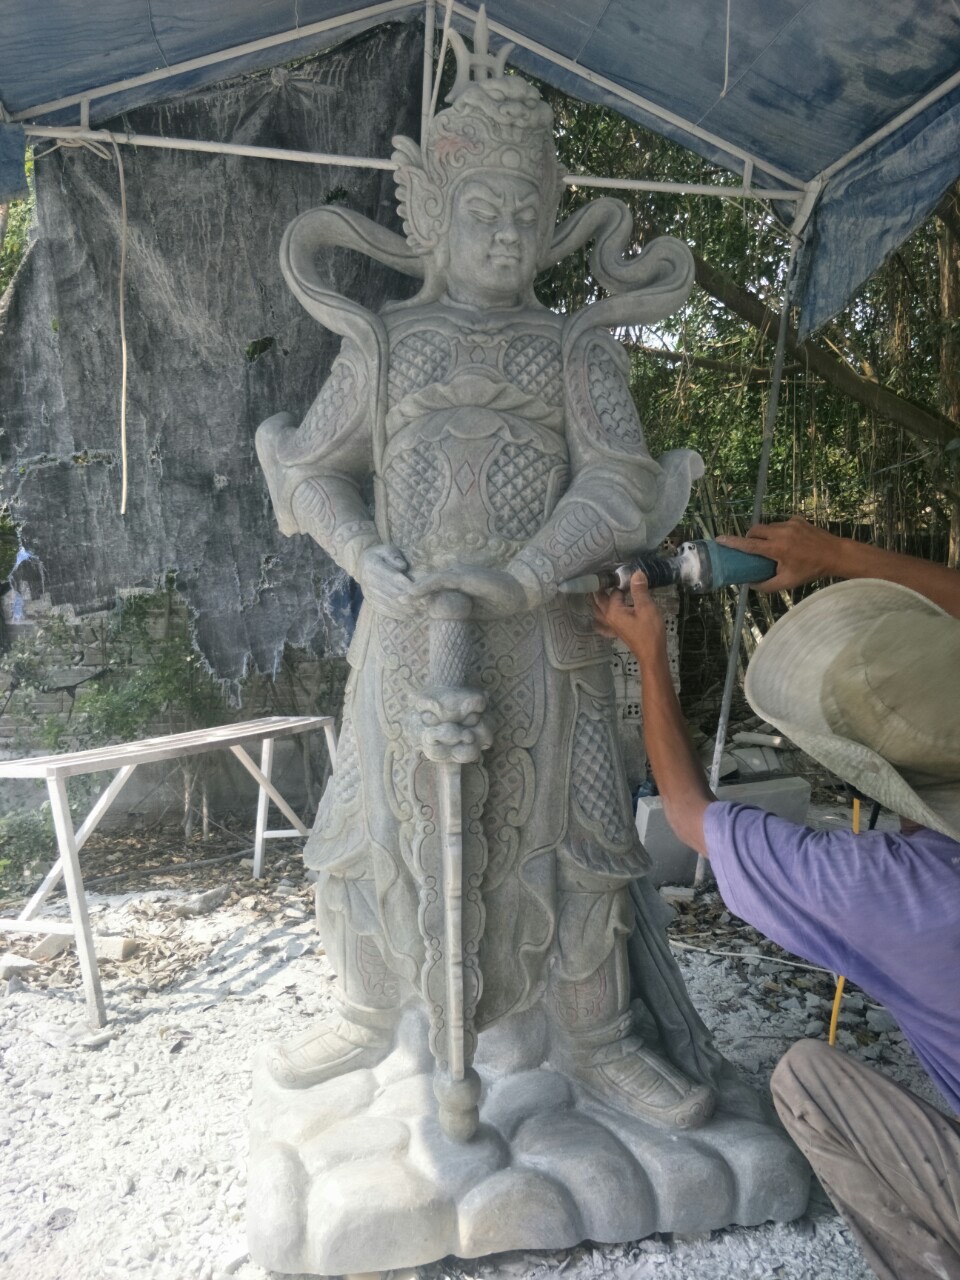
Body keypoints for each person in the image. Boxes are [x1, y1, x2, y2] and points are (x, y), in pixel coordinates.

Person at [256, 33, 717, 1130]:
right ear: (434, 215)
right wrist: (364, 555)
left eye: (525, 213)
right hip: (409, 634)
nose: (506, 235)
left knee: (586, 842)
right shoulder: (384, 343)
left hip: (545, 637)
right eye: (482, 212)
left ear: (552, 220)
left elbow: (620, 483)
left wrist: (529, 569)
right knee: (368, 828)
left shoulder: (572, 350)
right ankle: (370, 1009)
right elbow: (310, 470)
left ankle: (601, 1037)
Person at [593, 515, 960, 1280]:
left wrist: (648, 653)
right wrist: (837, 553)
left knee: (807, 1081)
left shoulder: (892, 888)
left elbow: (688, 814)